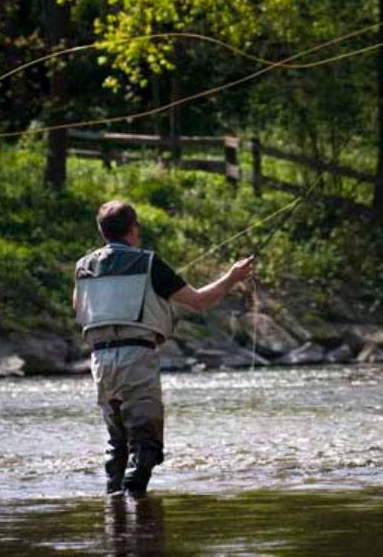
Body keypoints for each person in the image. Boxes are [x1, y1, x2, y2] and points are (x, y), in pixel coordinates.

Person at [73, 200, 254, 497]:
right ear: (133, 229)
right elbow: (199, 301)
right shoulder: (149, 262)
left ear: (102, 231)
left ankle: (115, 506)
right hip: (137, 356)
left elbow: (78, 306)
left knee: (117, 441)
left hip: (99, 361)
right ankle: (138, 502)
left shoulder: (83, 266)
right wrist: (232, 277)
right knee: (146, 441)